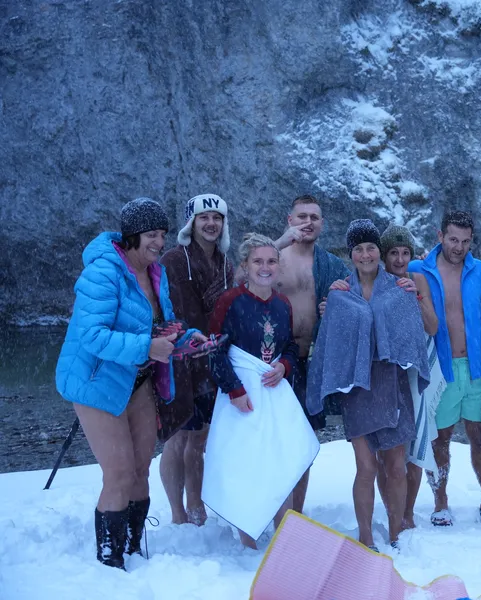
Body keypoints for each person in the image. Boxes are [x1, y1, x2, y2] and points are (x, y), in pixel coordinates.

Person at [55, 198, 192, 569]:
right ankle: (110, 560)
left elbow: (160, 324)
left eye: (162, 235)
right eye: (151, 234)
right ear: (131, 235)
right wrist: (147, 346)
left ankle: (134, 548)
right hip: (96, 381)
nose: (159, 242)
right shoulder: (102, 272)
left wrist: (184, 339)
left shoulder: (155, 272)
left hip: (137, 380)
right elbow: (92, 336)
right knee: (118, 472)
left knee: (141, 470)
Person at [306, 219, 431, 550]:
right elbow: (332, 343)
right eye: (358, 249)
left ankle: (396, 533)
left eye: (371, 247)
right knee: (365, 467)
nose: (365, 254)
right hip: (357, 388)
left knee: (395, 466)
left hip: (392, 383)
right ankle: (364, 535)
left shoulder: (398, 289)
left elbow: (414, 336)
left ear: (379, 251)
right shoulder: (340, 293)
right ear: (351, 255)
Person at [207, 233, 300, 549]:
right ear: (244, 266)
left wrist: (284, 366)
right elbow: (215, 349)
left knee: (281, 460)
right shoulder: (229, 302)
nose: (265, 267)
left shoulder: (283, 303)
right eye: (257, 261)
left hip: (272, 392)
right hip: (242, 395)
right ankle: (248, 540)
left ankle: (284, 536)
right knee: (248, 463)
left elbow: (289, 346)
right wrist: (234, 390)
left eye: (271, 261)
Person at [408, 210, 481, 527]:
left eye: (464, 241)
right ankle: (440, 503)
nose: (458, 247)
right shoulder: (419, 269)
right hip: (441, 368)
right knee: (440, 439)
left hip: (476, 368)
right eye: (452, 239)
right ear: (440, 236)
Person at [158, 193, 234, 526]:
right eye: (204, 218)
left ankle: (196, 504)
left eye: (217, 218)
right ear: (192, 222)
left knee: (199, 437)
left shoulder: (225, 264)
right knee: (177, 436)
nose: (211, 223)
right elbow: (164, 308)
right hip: (178, 359)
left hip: (211, 359)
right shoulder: (174, 260)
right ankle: (178, 513)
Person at [271, 194, 349, 514]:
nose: (308, 222)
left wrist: (336, 309)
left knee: (304, 443)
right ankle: (272, 509)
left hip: (312, 362)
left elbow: (356, 303)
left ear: (322, 224)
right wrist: (277, 244)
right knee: (274, 442)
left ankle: (294, 514)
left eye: (314, 217)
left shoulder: (330, 264)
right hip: (274, 361)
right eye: (301, 216)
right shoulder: (272, 257)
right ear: (290, 220)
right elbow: (239, 284)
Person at [375, 225, 439, 530]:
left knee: (414, 445)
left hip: (413, 373)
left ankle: (408, 513)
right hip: (384, 375)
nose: (400, 259)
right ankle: (392, 511)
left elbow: (433, 327)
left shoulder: (416, 279)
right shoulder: (374, 283)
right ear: (384, 255)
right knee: (384, 453)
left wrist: (419, 298)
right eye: (393, 253)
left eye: (405, 253)